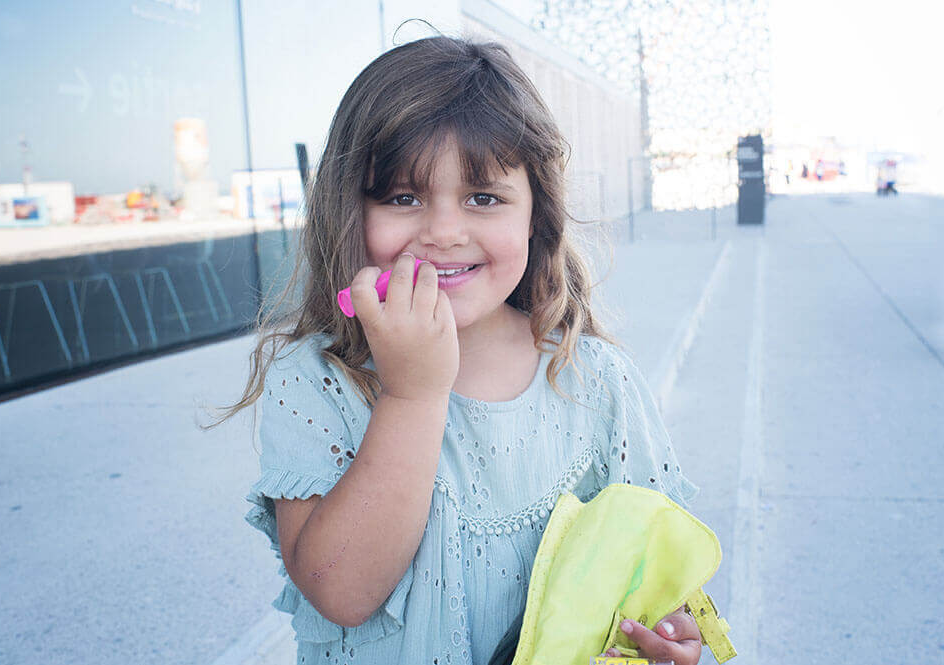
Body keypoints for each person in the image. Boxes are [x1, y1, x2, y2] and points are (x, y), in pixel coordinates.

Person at [221, 34, 702, 665]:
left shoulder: (596, 382)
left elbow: (654, 574)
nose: (444, 232)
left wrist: (666, 638)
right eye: (402, 197)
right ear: (349, 213)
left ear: (537, 215)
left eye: (484, 198)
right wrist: (413, 393)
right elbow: (340, 592)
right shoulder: (315, 382)